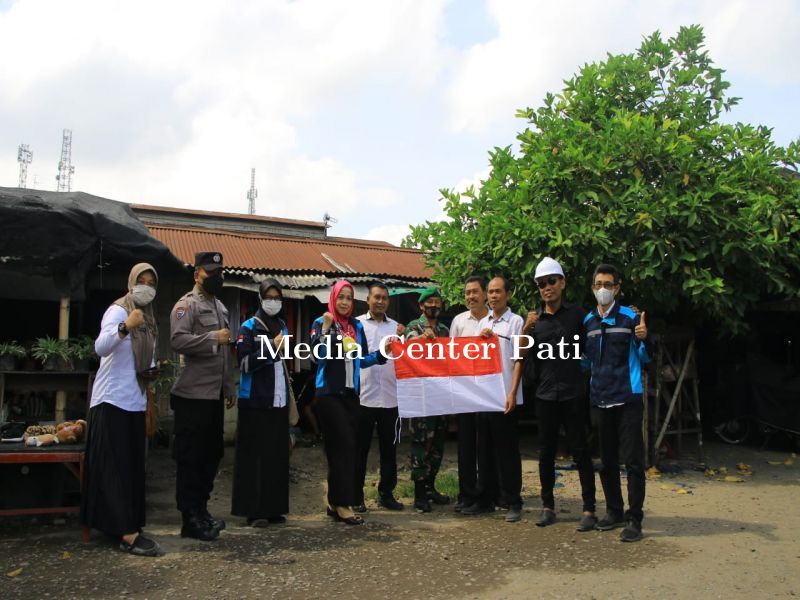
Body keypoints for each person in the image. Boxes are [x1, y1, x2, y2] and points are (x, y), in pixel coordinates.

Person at [81, 263, 162, 556]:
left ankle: (128, 524)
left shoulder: (150, 321)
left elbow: (144, 364)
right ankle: (126, 533)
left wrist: (152, 373)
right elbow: (101, 347)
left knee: (130, 470)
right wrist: (125, 326)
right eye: (141, 280)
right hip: (110, 400)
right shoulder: (118, 310)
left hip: (134, 401)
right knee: (113, 470)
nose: (146, 286)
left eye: (151, 282)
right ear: (130, 283)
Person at [511, 257, 597, 530]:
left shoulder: (579, 316)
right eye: (541, 284)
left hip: (573, 394)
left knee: (580, 451)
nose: (546, 287)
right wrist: (526, 329)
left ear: (562, 283)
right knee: (546, 452)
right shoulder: (536, 321)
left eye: (551, 281)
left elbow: (597, 338)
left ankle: (589, 509)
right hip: (546, 396)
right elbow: (519, 356)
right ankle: (548, 506)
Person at [170, 251, 236, 541]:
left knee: (212, 455)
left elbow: (225, 353)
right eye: (211, 273)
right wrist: (212, 338)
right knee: (191, 458)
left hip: (213, 396)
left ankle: (202, 510)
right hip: (192, 396)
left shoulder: (220, 307)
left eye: (220, 272)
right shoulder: (186, 305)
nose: (217, 277)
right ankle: (190, 519)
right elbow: (177, 340)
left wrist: (229, 386)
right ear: (197, 274)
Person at [310, 280, 389, 525]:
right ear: (333, 299)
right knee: (343, 443)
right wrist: (325, 328)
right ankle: (343, 504)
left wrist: (381, 355)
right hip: (329, 394)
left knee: (346, 447)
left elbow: (360, 359)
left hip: (352, 395)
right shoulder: (321, 322)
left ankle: (335, 502)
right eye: (340, 297)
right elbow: (316, 356)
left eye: (348, 297)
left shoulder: (356, 326)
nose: (344, 302)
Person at [583, 263, 651, 542]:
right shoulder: (588, 321)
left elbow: (646, 358)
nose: (603, 289)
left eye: (608, 285)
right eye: (598, 284)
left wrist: (645, 338)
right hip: (599, 398)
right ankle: (614, 511)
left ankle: (634, 519)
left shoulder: (630, 318)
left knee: (633, 461)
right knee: (606, 460)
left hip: (627, 398)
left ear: (617, 288)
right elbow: (585, 361)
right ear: (592, 288)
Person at [231, 278, 290, 527]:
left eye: (277, 298)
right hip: (254, 401)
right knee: (254, 458)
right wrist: (271, 348)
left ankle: (274, 508)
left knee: (276, 457)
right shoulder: (248, 327)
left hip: (278, 400)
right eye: (269, 297)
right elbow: (243, 363)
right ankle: (254, 511)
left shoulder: (283, 325)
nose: (273, 302)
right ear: (260, 298)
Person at [473, 276, 524, 522]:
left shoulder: (516, 322)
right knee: (484, 450)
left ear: (508, 294)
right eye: (490, 292)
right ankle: (486, 499)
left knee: (508, 452)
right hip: (485, 396)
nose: (493, 296)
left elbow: (518, 361)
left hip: (505, 396)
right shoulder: (483, 322)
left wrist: (512, 393)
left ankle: (513, 500)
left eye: (498, 292)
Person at [352, 282, 405, 513]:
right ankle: (356, 496)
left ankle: (386, 493)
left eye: (384, 298)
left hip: (391, 398)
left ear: (388, 301)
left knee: (389, 450)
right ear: (368, 299)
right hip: (364, 397)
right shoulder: (357, 325)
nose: (381, 301)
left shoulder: (397, 328)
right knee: (359, 450)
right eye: (377, 297)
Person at [405, 288, 451, 513]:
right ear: (422, 306)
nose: (434, 305)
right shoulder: (413, 327)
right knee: (420, 446)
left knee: (438, 446)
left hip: (440, 397)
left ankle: (431, 487)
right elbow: (408, 349)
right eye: (429, 302)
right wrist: (423, 339)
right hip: (420, 398)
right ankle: (420, 494)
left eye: (437, 302)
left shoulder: (445, 330)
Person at [448, 276, 489, 512]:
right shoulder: (458, 321)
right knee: (465, 446)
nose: (471, 296)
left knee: (484, 446)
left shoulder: (492, 321)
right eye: (467, 293)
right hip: (464, 393)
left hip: (487, 394)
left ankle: (484, 495)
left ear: (484, 294)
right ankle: (466, 494)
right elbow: (451, 356)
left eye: (475, 292)